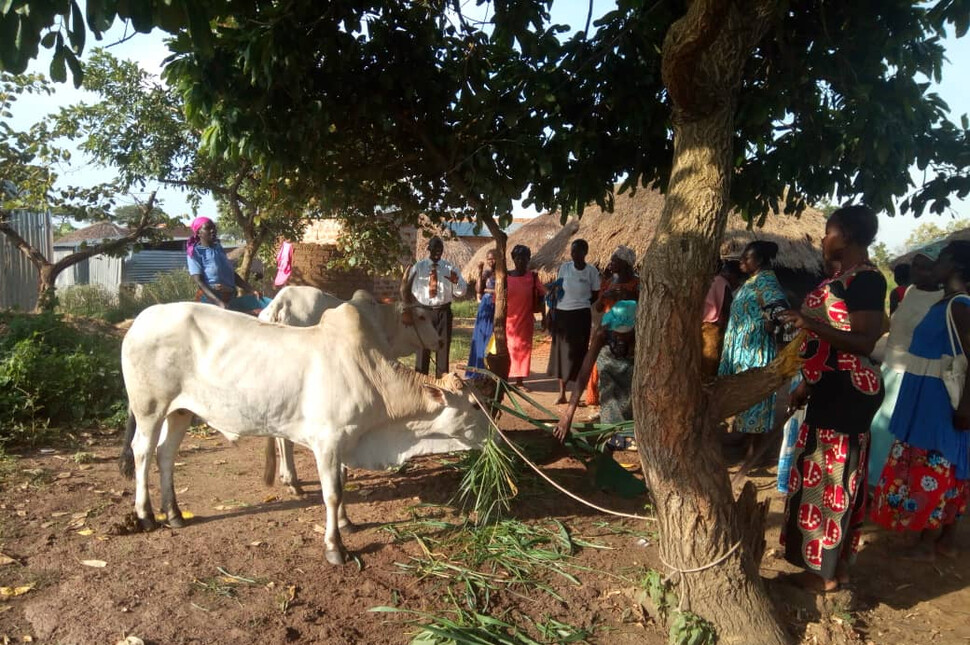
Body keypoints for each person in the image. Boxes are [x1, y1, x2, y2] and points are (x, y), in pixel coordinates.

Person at [778, 204, 886, 593]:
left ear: (849, 236)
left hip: (849, 392)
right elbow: (827, 345)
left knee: (834, 476)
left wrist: (809, 323)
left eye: (829, 232)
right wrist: (807, 382)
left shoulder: (867, 282)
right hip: (828, 386)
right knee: (821, 473)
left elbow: (864, 341)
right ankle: (828, 567)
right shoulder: (843, 278)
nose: (823, 239)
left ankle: (823, 573)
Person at [871, 240, 970, 560]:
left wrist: (965, 408)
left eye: (940, 259)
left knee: (939, 464)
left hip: (939, 400)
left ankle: (932, 541)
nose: (933, 265)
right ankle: (938, 538)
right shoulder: (944, 302)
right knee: (938, 464)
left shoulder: (960, 306)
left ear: (954, 266)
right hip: (925, 394)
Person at [867, 244, 945, 488]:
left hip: (911, 375)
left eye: (925, 267)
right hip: (889, 370)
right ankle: (873, 483)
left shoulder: (943, 301)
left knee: (892, 432)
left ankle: (887, 484)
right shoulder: (910, 291)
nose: (918, 271)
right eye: (916, 266)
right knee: (877, 429)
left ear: (937, 271)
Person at [717, 241, 789, 435]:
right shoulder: (752, 281)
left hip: (754, 349)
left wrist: (772, 322)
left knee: (752, 394)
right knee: (741, 393)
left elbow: (780, 309)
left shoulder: (766, 281)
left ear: (760, 260)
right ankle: (742, 436)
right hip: (741, 349)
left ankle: (751, 444)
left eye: (746, 257)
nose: (741, 261)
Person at [554, 299, 637, 448]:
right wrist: (567, 416)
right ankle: (611, 433)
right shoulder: (603, 333)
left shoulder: (644, 334)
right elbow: (584, 373)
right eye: (617, 333)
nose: (620, 337)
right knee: (609, 391)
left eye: (625, 334)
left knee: (632, 392)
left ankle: (632, 432)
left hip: (634, 366)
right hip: (609, 363)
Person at [549, 239, 601, 404]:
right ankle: (562, 393)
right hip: (563, 315)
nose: (574, 254)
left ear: (585, 252)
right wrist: (552, 312)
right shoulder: (565, 268)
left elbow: (595, 295)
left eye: (577, 251)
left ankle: (575, 395)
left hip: (581, 316)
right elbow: (557, 290)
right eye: (572, 251)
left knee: (579, 354)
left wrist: (581, 303)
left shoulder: (591, 272)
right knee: (562, 354)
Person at [586, 246, 639, 405]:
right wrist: (603, 299)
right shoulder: (608, 282)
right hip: (607, 329)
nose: (611, 263)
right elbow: (598, 308)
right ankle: (598, 400)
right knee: (599, 364)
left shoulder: (636, 283)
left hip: (628, 332)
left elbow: (642, 305)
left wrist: (627, 295)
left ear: (625, 263)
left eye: (615, 260)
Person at [410, 236, 467, 377]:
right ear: (429, 249)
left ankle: (442, 384)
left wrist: (456, 281)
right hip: (424, 313)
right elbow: (411, 291)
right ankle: (422, 383)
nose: (437, 252)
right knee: (423, 349)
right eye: (435, 249)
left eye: (440, 250)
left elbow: (461, 292)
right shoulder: (419, 268)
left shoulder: (449, 268)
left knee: (443, 349)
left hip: (443, 313)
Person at [186, 217, 258, 308]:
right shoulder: (195, 253)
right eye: (208, 228)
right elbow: (199, 281)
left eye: (214, 228)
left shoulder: (218, 248)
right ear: (198, 233)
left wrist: (251, 290)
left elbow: (231, 273)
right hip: (211, 301)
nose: (212, 230)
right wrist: (218, 303)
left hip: (228, 297)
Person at [506, 245, 545, 388]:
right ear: (513, 259)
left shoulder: (532, 277)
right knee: (508, 349)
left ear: (528, 259)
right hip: (508, 322)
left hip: (525, 321)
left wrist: (544, 317)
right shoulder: (505, 277)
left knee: (523, 350)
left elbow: (542, 295)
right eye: (517, 258)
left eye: (524, 258)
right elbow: (497, 300)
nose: (520, 261)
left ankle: (519, 381)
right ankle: (507, 379)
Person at [701, 259, 742, 381]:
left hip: (702, 326)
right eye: (737, 279)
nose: (737, 283)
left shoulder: (712, 280)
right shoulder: (723, 283)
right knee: (710, 365)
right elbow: (727, 308)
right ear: (732, 275)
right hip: (712, 329)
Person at [466, 250, 497, 378]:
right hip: (486, 306)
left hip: (498, 306)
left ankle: (491, 371)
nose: (491, 261)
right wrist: (480, 271)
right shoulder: (486, 273)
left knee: (493, 339)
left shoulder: (502, 274)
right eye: (489, 259)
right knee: (481, 337)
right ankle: (477, 369)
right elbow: (479, 290)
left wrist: (488, 290)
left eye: (493, 258)